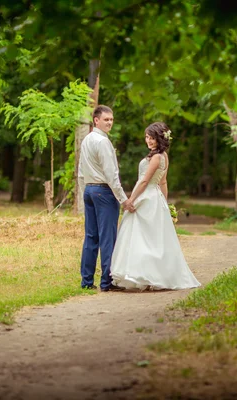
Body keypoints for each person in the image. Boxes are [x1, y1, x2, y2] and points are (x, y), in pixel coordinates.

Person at [110, 122, 201, 290]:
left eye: (152, 138)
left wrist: (131, 200)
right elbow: (164, 182)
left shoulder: (157, 157)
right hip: (155, 198)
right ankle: (147, 276)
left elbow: (144, 181)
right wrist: (164, 204)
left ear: (160, 138)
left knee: (143, 238)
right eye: (147, 137)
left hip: (147, 197)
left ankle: (146, 276)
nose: (149, 141)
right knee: (152, 238)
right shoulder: (164, 156)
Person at [78, 105, 135, 292]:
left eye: (111, 119)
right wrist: (123, 199)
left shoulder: (87, 140)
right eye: (106, 119)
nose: (110, 122)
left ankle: (86, 282)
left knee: (90, 237)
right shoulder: (102, 142)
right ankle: (107, 282)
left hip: (90, 190)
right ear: (96, 120)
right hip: (103, 191)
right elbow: (111, 175)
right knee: (107, 238)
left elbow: (80, 172)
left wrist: (84, 192)